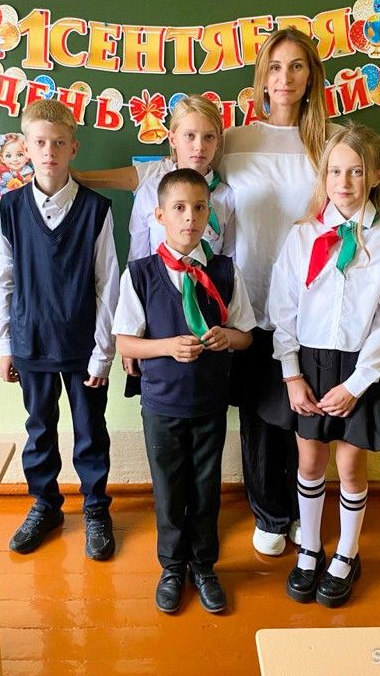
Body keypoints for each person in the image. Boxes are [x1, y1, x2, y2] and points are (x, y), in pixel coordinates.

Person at [72, 27, 380, 557]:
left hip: (317, 309)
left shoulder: (332, 140)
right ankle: (271, 513)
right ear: (261, 77)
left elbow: (361, 193)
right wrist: (72, 175)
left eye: (296, 66)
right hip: (246, 301)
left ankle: (303, 514)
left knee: (309, 418)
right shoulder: (233, 140)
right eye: (274, 66)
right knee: (262, 416)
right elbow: (166, 176)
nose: (285, 78)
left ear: (312, 76)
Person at [269, 124, 380, 608]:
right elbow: (283, 308)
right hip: (309, 363)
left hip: (361, 369)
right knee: (310, 460)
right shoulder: (302, 235)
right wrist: (292, 375)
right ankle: (310, 549)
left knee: (351, 465)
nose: (344, 182)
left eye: (356, 171)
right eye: (335, 171)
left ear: (376, 175)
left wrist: (357, 384)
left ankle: (347, 553)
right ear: (324, 175)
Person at [113, 169, 255, 613]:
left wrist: (227, 337)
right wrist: (166, 347)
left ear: (209, 214)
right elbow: (125, 343)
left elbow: (246, 336)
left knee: (206, 487)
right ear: (160, 215)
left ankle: (205, 566)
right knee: (169, 490)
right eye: (178, 208)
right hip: (162, 404)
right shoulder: (139, 274)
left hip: (209, 402)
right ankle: (173, 567)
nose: (189, 217)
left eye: (198, 207)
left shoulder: (225, 272)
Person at [0, 99, 119, 560]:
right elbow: (3, 279)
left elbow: (108, 284)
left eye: (59, 143)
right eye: (40, 143)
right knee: (39, 430)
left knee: (90, 431)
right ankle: (45, 505)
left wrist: (103, 353)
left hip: (83, 346)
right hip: (31, 342)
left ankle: (96, 509)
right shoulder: (10, 208)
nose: (49, 151)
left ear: (73, 148)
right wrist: (5, 344)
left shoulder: (95, 209)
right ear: (25, 147)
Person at [128, 94, 235, 261]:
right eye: (189, 135)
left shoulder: (228, 197)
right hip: (159, 278)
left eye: (209, 137)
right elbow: (138, 259)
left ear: (218, 141)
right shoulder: (150, 192)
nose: (199, 146)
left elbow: (231, 261)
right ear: (172, 139)